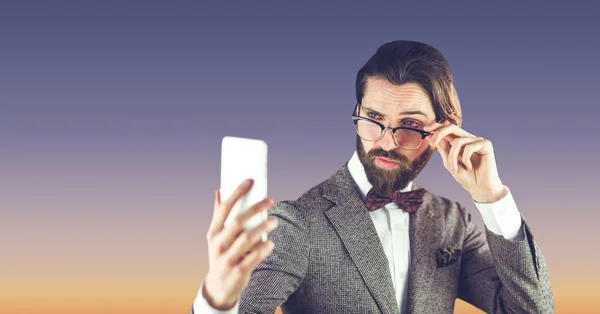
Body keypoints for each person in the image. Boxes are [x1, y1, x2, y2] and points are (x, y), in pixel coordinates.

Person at [190, 40, 554, 313]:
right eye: (373, 120)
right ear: (357, 111)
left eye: (409, 126)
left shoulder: (453, 222)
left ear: (444, 132)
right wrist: (217, 298)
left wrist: (492, 197)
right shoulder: (298, 224)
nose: (386, 143)